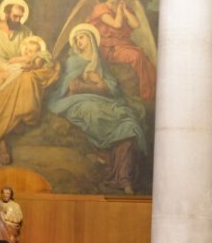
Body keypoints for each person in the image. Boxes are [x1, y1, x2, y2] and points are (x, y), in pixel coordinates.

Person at [46, 23, 149, 194]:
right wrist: (93, 86)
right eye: (76, 39)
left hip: (104, 102)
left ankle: (124, 179)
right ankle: (114, 169)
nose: (79, 41)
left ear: (92, 39)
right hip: (79, 102)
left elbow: (113, 88)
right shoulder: (73, 62)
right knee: (93, 112)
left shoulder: (100, 63)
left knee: (128, 121)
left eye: (82, 37)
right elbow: (70, 87)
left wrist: (99, 82)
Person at [0, 0, 58, 164]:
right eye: (15, 16)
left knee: (28, 80)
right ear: (6, 14)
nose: (18, 20)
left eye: (21, 16)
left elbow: (41, 49)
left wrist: (37, 60)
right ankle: (2, 143)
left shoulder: (25, 31)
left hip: (18, 69)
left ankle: (16, 120)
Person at [86, 0, 157, 104]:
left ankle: (152, 92)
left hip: (124, 45)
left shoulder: (124, 8)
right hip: (109, 48)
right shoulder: (100, 8)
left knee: (144, 57)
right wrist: (120, 10)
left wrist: (124, 10)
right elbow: (117, 24)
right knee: (137, 56)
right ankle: (147, 94)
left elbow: (136, 24)